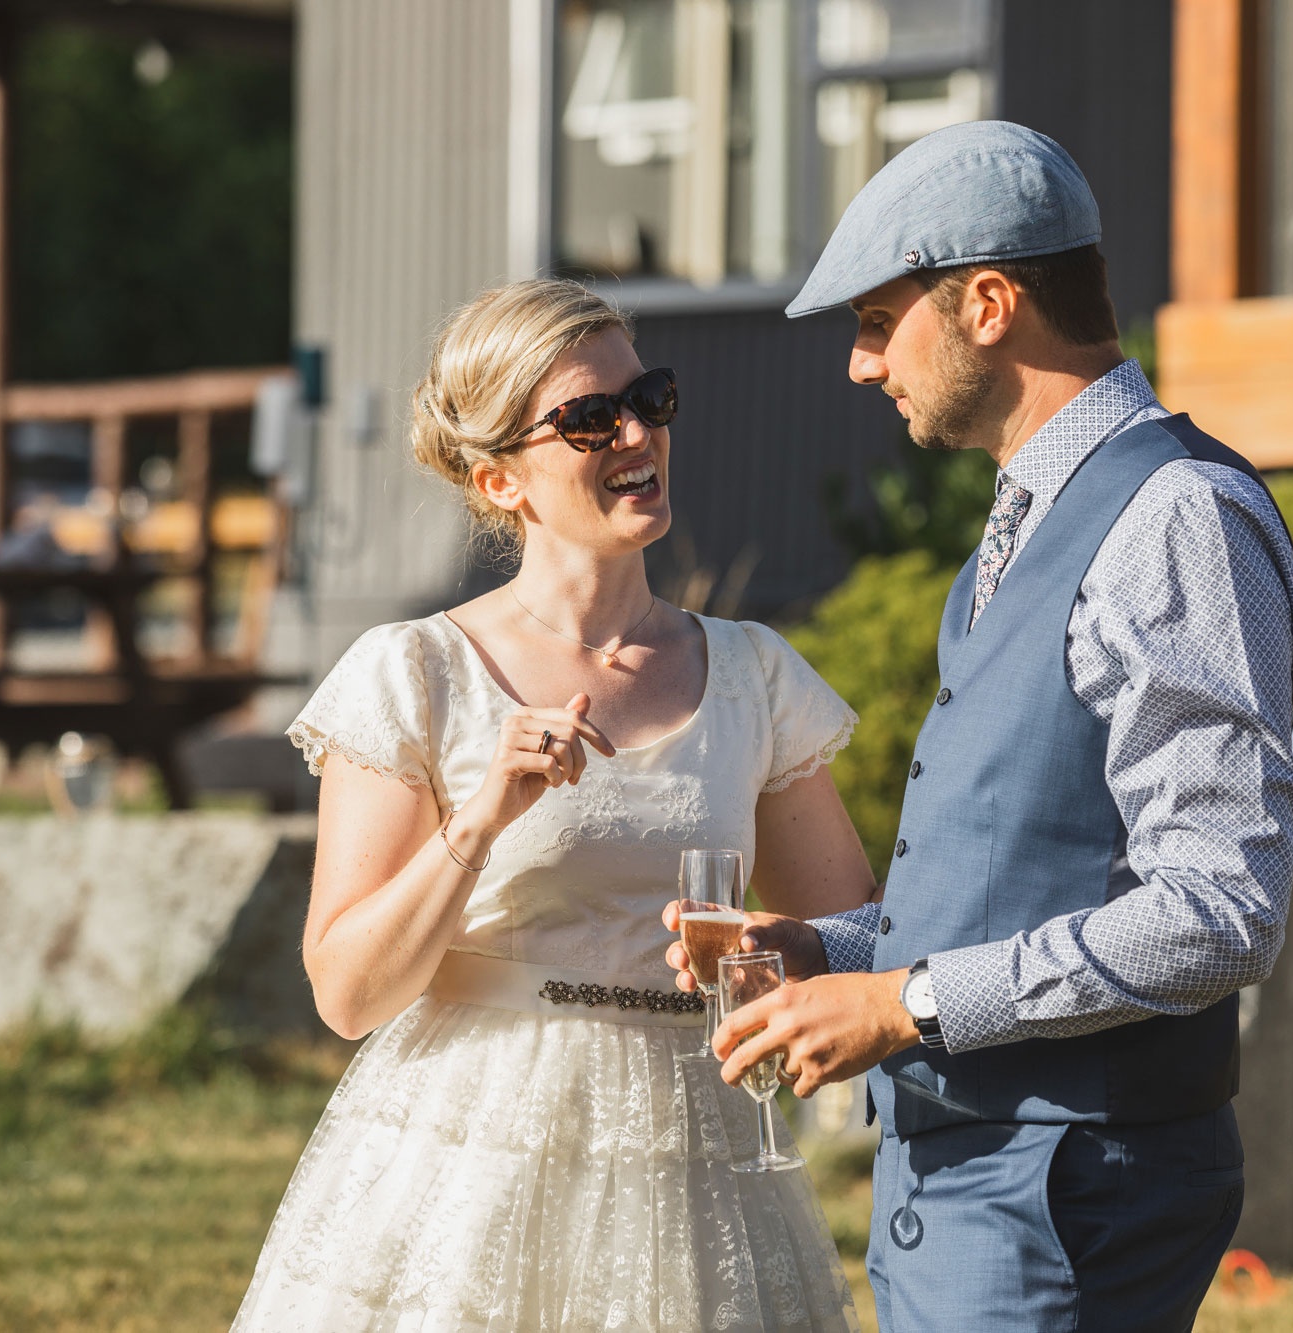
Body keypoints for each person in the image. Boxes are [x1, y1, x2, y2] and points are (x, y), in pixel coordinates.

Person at [669, 121, 1293, 1331]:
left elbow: (1219, 907)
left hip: (1066, 1190)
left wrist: (903, 1004)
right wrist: (832, 954)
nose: (860, 365)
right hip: (980, 1183)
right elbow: (1030, 873)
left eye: (874, 321)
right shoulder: (1021, 526)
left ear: (987, 303)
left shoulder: (1172, 516)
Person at [234, 279, 869, 1331]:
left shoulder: (757, 674)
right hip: (468, 1160)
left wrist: (782, 960)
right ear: (499, 479)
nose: (637, 432)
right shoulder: (417, 673)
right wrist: (478, 821)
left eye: (650, 397)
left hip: (696, 1160)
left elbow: (851, 935)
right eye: (588, 418)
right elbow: (346, 994)